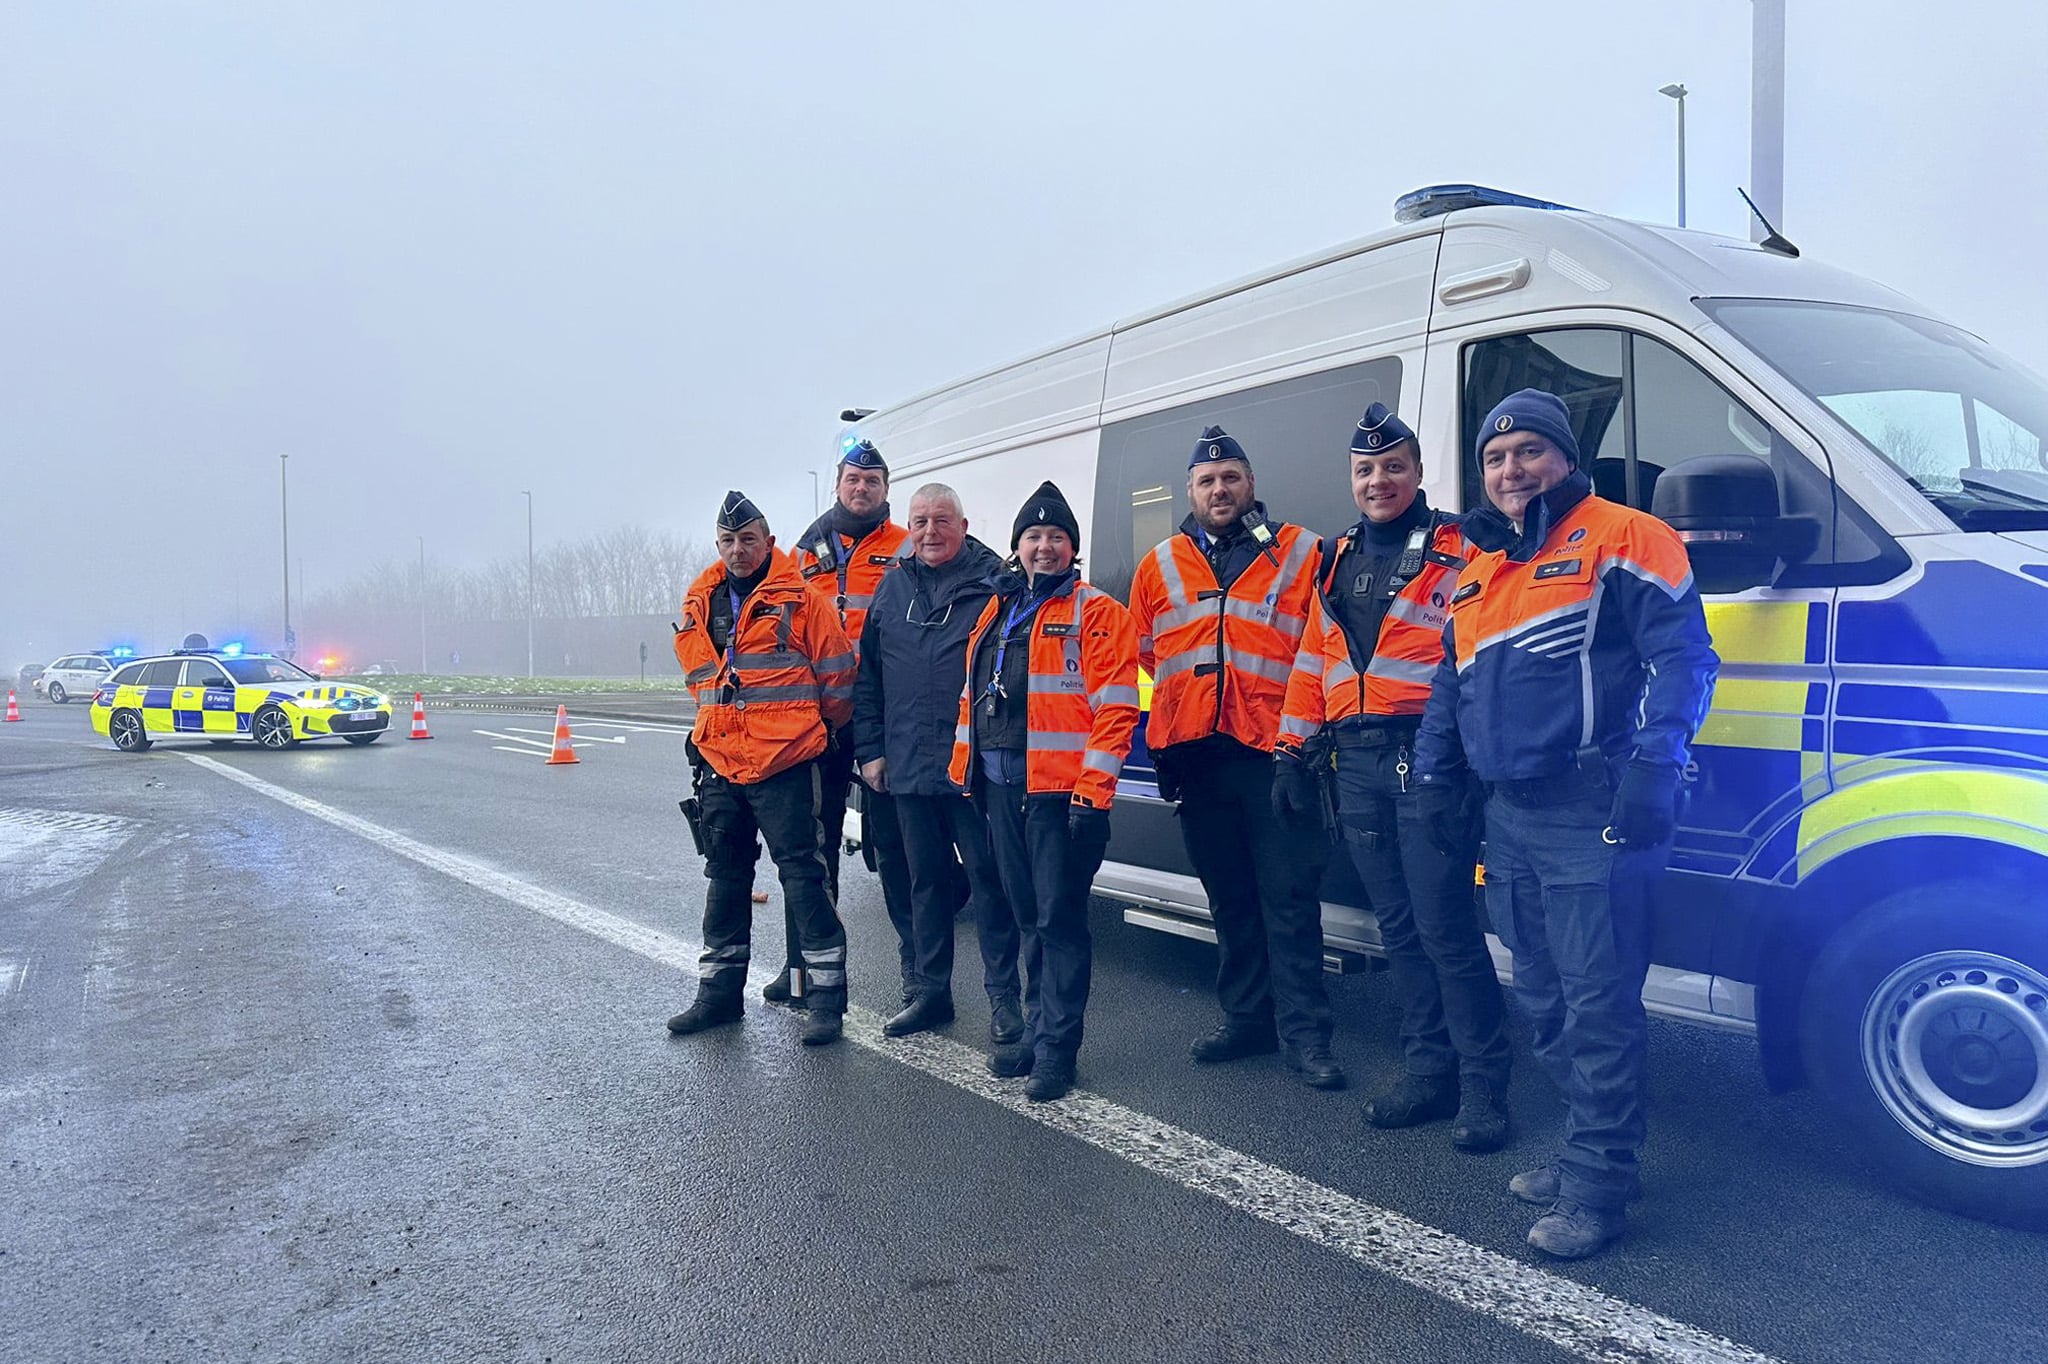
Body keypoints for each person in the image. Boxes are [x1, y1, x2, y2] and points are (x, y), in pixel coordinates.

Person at [1413, 389, 1718, 1259]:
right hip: (1509, 816)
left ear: (1564, 456)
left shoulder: (1623, 534)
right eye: (1496, 458)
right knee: (1542, 998)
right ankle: (1592, 1143)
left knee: (1596, 1004)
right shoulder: (1475, 570)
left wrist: (1658, 765)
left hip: (1593, 809)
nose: (1512, 471)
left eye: (1529, 453)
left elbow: (1684, 657)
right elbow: (1451, 683)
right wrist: (1436, 775)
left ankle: (1598, 1183)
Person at [1276, 402, 1512, 1149]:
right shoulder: (1336, 555)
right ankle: (1427, 1072)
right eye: (1365, 470)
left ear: (1417, 472)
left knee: (1446, 928)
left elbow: (1485, 648)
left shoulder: (1462, 543)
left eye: (1393, 467)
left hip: (1431, 752)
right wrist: (1290, 748)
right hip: (1358, 760)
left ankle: (1484, 1090)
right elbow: (1315, 657)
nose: (1379, 480)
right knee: (1401, 930)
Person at [1128, 426, 1342, 1090]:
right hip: (1197, 759)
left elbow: (1329, 648)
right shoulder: (1159, 563)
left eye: (1231, 477)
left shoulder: (1304, 552)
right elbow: (1145, 652)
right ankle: (1247, 1018)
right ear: (1189, 491)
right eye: (1206, 481)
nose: (1219, 489)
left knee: (1289, 900)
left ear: (1251, 484)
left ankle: (1305, 1036)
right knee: (1230, 899)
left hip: (1275, 759)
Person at [946, 481, 1139, 1103]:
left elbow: (1117, 710)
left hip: (1062, 798)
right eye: (1033, 537)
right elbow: (973, 701)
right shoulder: (996, 614)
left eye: (1057, 537)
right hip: (1000, 790)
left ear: (1072, 549)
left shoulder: (1098, 613)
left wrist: (1092, 792)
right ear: (1017, 547)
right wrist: (966, 777)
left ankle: (1058, 1048)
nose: (1044, 547)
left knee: (1059, 922)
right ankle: (1033, 1031)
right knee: (1026, 916)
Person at [668, 491, 858, 1047]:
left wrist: (803, 734)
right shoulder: (699, 602)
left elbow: (839, 684)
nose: (738, 550)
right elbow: (701, 683)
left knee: (804, 878)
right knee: (725, 879)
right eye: (727, 541)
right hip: (721, 762)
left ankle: (826, 999)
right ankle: (719, 997)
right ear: (717, 545)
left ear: (769, 542)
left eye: (748, 539)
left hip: (787, 763)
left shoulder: (805, 599)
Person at [854, 483, 1023, 1043]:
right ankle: (931, 993)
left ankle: (1005, 1002)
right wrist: (871, 751)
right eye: (920, 520)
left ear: (965, 523)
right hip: (904, 765)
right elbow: (869, 680)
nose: (930, 531)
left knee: (989, 879)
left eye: (941, 519)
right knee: (924, 883)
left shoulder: (996, 584)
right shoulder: (892, 586)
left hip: (971, 769)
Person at [781, 438, 921, 1008]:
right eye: (852, 479)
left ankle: (918, 975)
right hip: (823, 718)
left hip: (884, 714)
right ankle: (802, 969)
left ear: (886, 489)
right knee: (810, 847)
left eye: (873, 480)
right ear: (838, 485)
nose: (861, 489)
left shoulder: (909, 546)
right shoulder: (804, 552)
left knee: (895, 849)